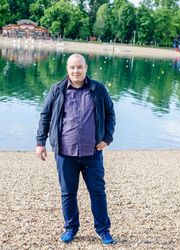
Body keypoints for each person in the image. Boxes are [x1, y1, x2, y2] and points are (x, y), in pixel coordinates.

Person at [36, 53, 116, 245]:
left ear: (86, 68)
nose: (76, 71)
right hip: (65, 153)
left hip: (92, 153)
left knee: (97, 192)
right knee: (67, 193)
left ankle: (103, 230)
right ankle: (71, 228)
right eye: (72, 67)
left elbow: (110, 114)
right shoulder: (57, 90)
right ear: (67, 69)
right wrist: (40, 143)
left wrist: (107, 138)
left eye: (79, 67)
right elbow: (45, 116)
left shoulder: (98, 89)